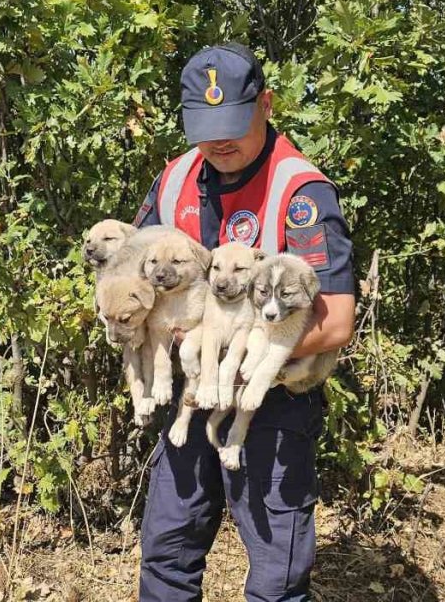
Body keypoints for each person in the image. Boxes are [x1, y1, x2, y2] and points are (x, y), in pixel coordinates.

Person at [132, 42, 356, 602]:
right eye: (206, 126)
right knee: (166, 551)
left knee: (276, 575)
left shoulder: (299, 192)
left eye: (233, 121)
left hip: (270, 399)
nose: (219, 140)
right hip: (192, 390)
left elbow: (335, 322)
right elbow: (131, 270)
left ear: (267, 105)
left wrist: (241, 352)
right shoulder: (177, 177)